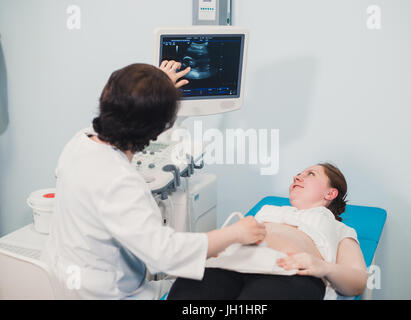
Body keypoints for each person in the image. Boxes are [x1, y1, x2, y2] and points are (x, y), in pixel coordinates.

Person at [41, 61, 266, 299]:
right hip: (104, 293)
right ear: (158, 130)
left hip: (62, 278)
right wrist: (235, 233)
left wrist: (156, 87)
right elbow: (165, 254)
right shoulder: (119, 181)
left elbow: (126, 108)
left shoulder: (79, 142)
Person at [167, 163, 368, 300]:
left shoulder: (339, 228)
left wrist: (323, 267)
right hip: (226, 264)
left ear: (330, 193)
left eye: (310, 174)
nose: (297, 176)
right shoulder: (269, 210)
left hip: (288, 272)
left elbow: (357, 281)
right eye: (299, 173)